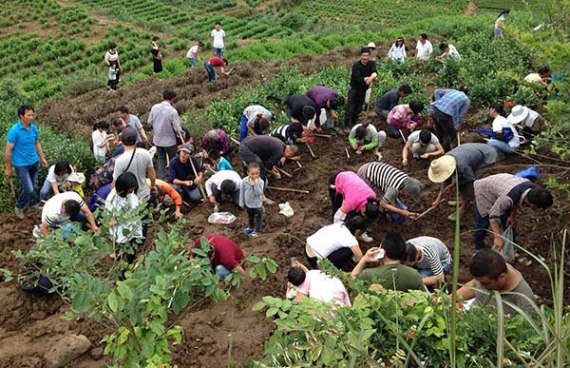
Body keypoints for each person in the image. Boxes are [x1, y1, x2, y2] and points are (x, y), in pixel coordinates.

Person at [473, 173, 553, 252]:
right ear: (532, 204)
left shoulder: (534, 189)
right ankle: (478, 247)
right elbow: (493, 216)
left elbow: (517, 200)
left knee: (508, 223)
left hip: (503, 186)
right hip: (484, 190)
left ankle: (511, 248)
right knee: (484, 220)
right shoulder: (507, 199)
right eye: (538, 207)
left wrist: (512, 215)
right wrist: (497, 237)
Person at [429, 143, 499, 219]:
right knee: (461, 182)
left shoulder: (461, 165)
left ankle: (464, 207)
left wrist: (453, 185)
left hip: (487, 157)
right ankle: (463, 200)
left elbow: (470, 179)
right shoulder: (446, 161)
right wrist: (438, 199)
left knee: (467, 185)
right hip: (473, 154)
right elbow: (446, 179)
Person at [457, 250, 537, 316]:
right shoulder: (495, 268)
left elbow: (530, 329)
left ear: (501, 277)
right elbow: (474, 284)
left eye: (486, 284)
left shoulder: (524, 299)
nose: (481, 286)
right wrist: (449, 300)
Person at [4, 104, 49, 218]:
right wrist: (8, 168)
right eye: (29, 115)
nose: (31, 117)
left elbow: (37, 143)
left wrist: (42, 158)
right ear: (21, 116)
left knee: (34, 185)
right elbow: (8, 151)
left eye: (32, 115)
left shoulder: (33, 128)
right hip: (21, 165)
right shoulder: (14, 131)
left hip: (34, 162)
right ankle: (19, 207)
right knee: (28, 188)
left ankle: (33, 204)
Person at [350, 231, 425, 292]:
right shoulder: (415, 275)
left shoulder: (369, 274)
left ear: (383, 252)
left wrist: (363, 260)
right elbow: (424, 297)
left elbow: (351, 283)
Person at [357, 162, 422, 219]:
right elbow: (383, 203)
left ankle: (391, 206)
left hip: (374, 167)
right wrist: (400, 211)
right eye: (409, 195)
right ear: (405, 190)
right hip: (365, 174)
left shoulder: (409, 180)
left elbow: (420, 184)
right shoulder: (393, 188)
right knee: (379, 196)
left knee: (390, 197)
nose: (408, 197)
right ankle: (383, 211)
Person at [329, 171, 380, 243]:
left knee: (356, 215)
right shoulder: (351, 202)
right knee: (337, 206)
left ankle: (358, 234)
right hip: (337, 179)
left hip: (353, 181)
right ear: (364, 208)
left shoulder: (373, 198)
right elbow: (337, 216)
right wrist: (339, 233)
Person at [105, 172, 143, 262]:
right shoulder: (112, 200)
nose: (132, 191)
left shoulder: (130, 194)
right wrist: (124, 218)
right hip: (121, 234)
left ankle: (129, 266)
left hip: (133, 230)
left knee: (131, 254)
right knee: (122, 257)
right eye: (130, 189)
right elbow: (110, 222)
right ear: (123, 189)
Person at [112, 127, 156, 201]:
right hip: (145, 194)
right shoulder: (146, 153)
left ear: (122, 141)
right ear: (136, 141)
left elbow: (115, 183)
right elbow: (152, 174)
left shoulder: (120, 160)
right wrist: (152, 186)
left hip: (130, 198)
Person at [148, 89, 184, 179]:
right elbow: (177, 129)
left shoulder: (154, 107)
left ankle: (161, 177)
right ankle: (176, 175)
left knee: (161, 158)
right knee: (173, 158)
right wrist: (182, 134)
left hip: (157, 139)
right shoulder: (172, 111)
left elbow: (149, 122)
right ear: (172, 99)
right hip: (169, 141)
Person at [344, 47, 378, 129]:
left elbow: (374, 72)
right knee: (350, 108)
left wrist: (373, 76)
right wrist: (369, 78)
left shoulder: (371, 64)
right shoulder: (356, 66)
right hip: (354, 89)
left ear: (369, 56)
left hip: (363, 90)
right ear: (360, 56)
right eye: (363, 56)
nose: (365, 58)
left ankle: (354, 122)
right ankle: (346, 126)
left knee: (358, 108)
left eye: (367, 56)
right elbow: (358, 79)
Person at [431, 86, 470, 151]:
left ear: (459, 89)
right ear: (467, 93)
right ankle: (445, 150)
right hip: (445, 115)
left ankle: (437, 147)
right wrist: (457, 126)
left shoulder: (452, 91)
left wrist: (438, 101)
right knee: (452, 135)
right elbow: (461, 115)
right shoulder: (466, 100)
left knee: (440, 132)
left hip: (435, 110)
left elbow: (437, 91)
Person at [239, 162, 265, 238]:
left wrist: (255, 185)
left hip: (257, 204)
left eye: (257, 173)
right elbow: (242, 191)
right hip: (248, 204)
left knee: (258, 218)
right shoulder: (244, 181)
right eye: (252, 174)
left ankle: (257, 231)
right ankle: (251, 228)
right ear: (248, 173)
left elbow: (259, 193)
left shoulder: (261, 182)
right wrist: (241, 202)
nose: (255, 176)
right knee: (250, 217)